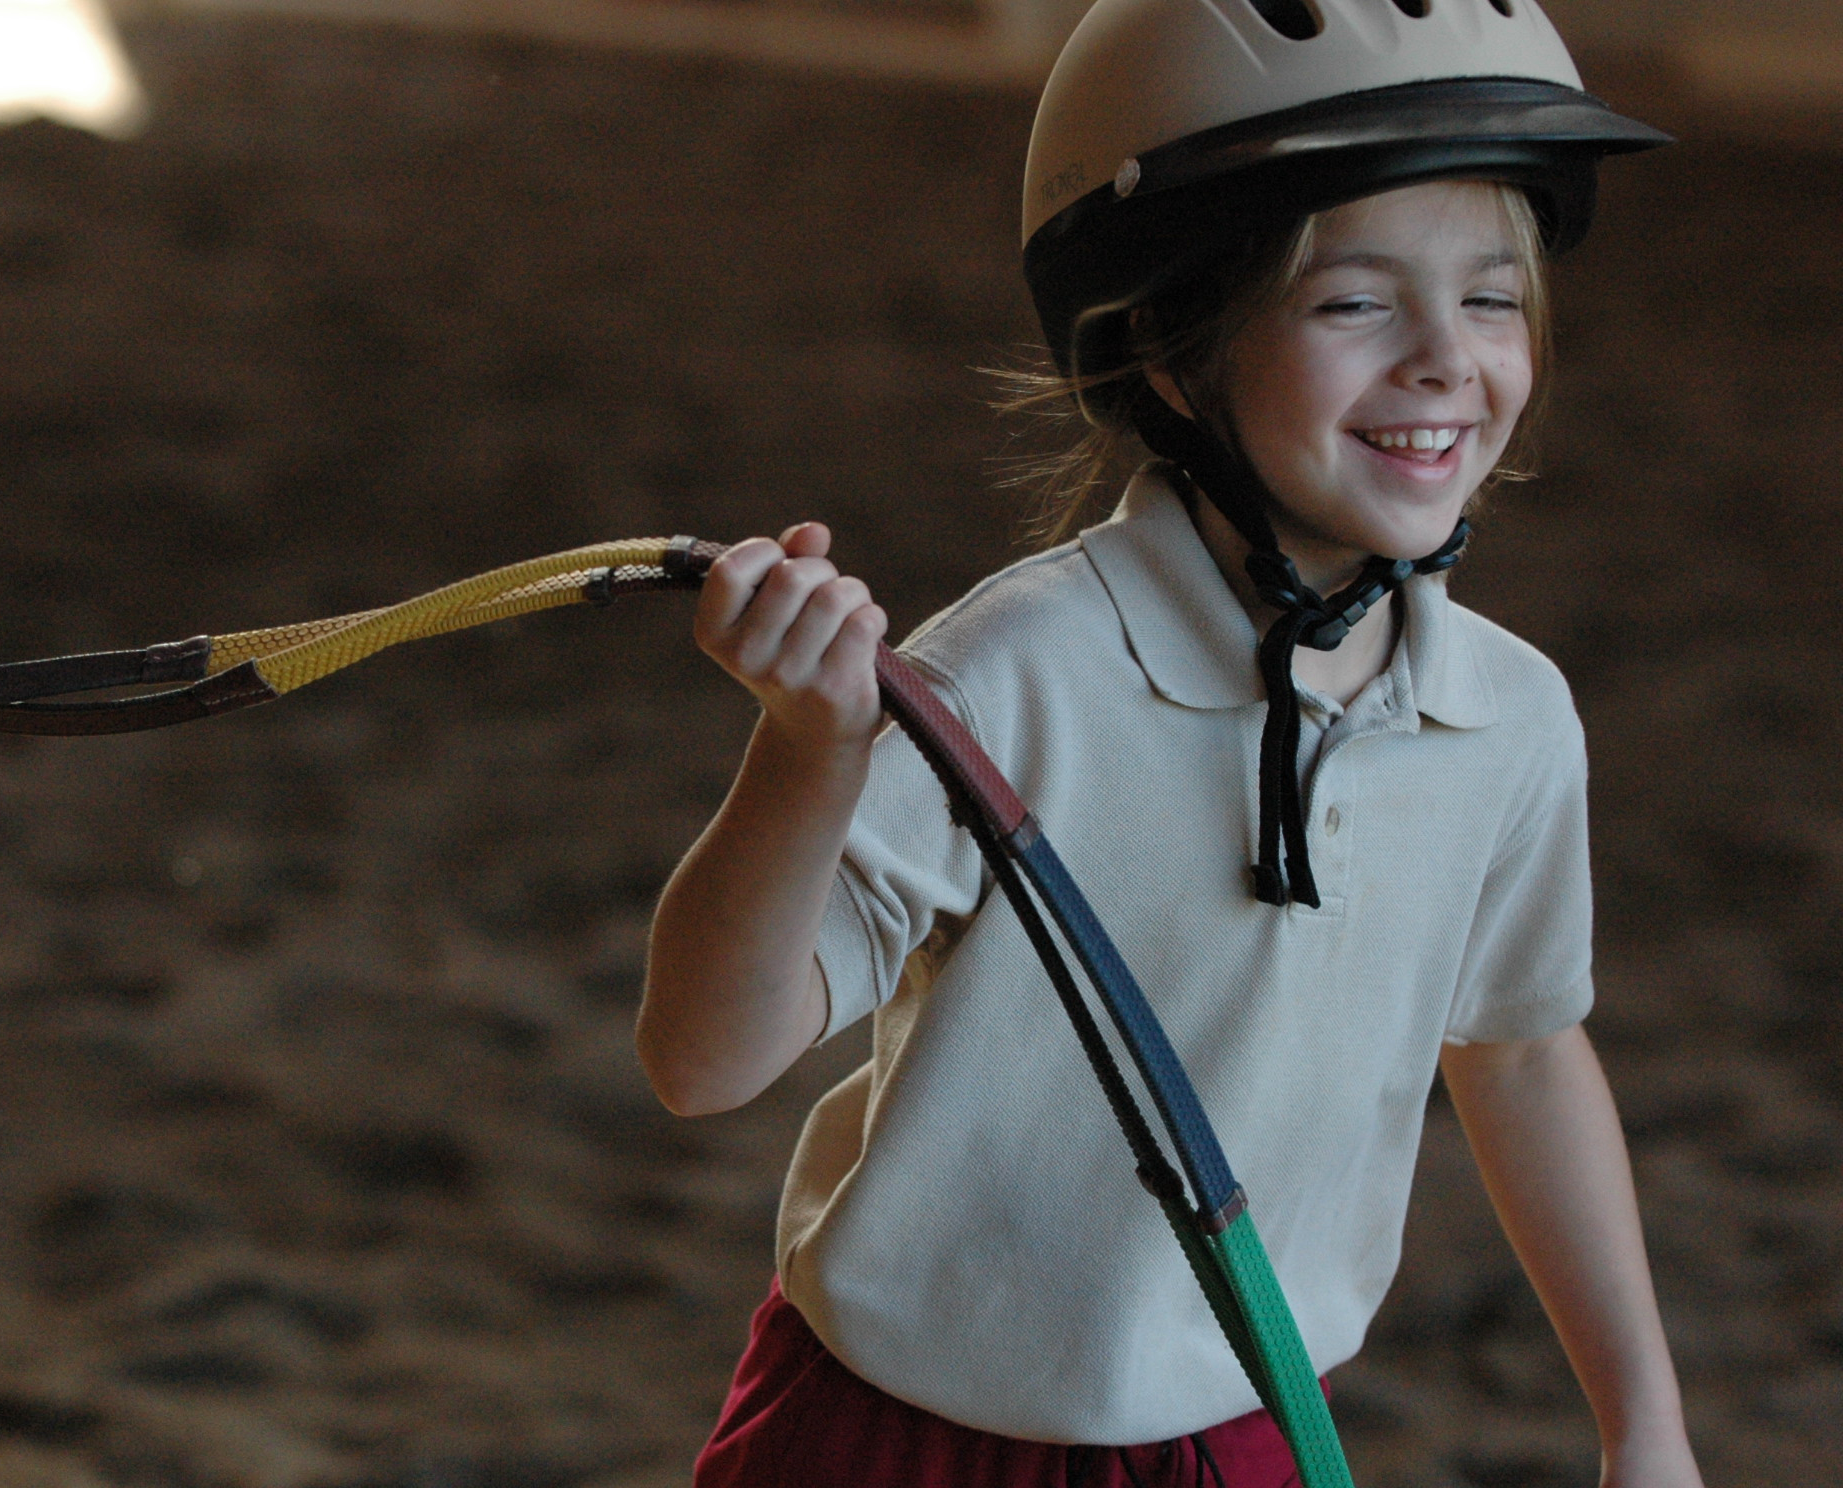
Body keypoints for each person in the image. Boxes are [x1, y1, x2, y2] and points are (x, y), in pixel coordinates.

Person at [638, 1, 1706, 1484]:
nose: (1446, 361)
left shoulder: (1507, 718)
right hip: (899, 1432)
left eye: (1491, 298)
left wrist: (1644, 1423)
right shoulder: (1014, 675)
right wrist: (809, 752)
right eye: (1354, 303)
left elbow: (1520, 1052)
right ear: (1162, 345)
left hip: (1239, 1431)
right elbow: (701, 1060)